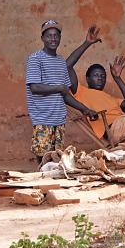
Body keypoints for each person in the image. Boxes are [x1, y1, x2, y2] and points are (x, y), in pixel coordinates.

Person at [25, 19, 98, 164]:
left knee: (55, 160)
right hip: (43, 120)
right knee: (43, 159)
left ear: (60, 38)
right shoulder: (35, 59)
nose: (53, 38)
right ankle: (41, 184)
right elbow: (35, 88)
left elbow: (65, 95)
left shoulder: (60, 61)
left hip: (59, 120)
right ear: (42, 39)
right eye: (49, 35)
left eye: (56, 35)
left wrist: (85, 109)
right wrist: (58, 87)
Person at [65, 25, 125, 139]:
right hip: (113, 128)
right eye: (96, 75)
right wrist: (87, 43)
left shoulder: (111, 98)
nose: (100, 78)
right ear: (87, 78)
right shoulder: (80, 92)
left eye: (103, 76)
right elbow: (67, 66)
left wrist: (117, 78)